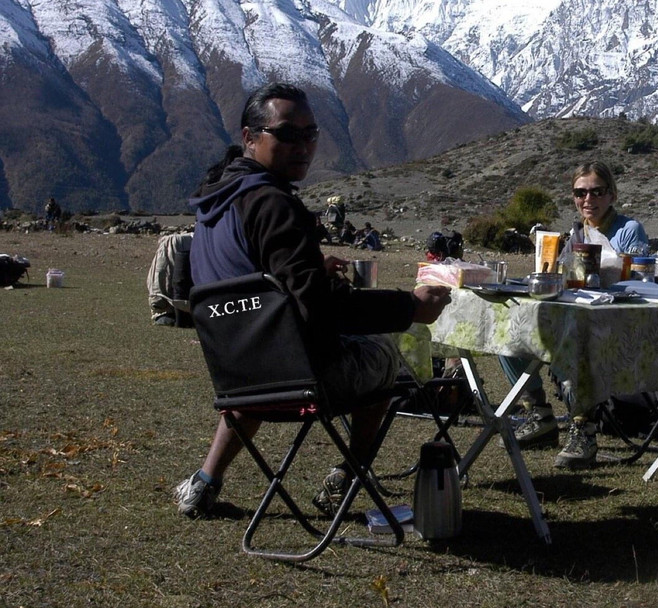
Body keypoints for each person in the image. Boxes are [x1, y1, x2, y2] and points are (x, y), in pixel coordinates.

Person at [174, 82, 451, 518]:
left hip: (236, 372)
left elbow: (250, 280)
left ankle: (205, 482)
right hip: (295, 374)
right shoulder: (272, 204)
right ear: (250, 137)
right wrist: (410, 307)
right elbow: (323, 310)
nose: (302, 146)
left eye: (311, 134)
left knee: (262, 356)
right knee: (383, 355)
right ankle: (350, 474)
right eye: (287, 134)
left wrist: (307, 269)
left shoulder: (217, 201)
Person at [500, 160, 649, 469]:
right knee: (508, 332)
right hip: (572, 316)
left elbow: (637, 282)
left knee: (576, 345)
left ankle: (583, 429)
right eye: (580, 193)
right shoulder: (577, 232)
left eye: (597, 192)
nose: (588, 199)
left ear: (612, 195)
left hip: (613, 324)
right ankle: (538, 413)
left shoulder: (628, 230)